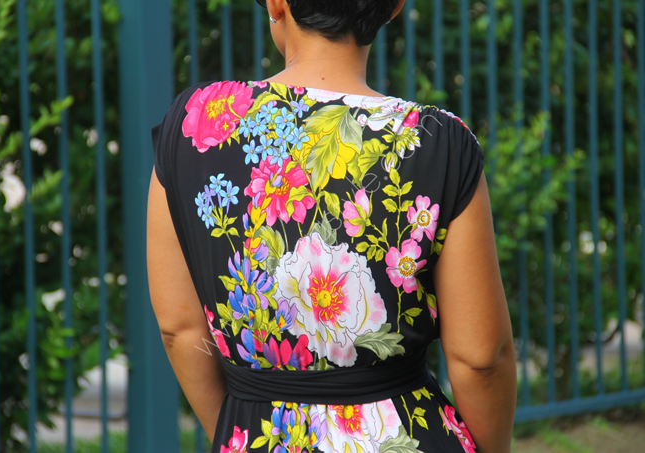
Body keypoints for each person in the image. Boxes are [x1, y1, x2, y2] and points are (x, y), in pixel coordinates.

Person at [147, 0, 517, 452]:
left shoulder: (196, 123)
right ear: (394, 6)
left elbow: (180, 329)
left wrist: (238, 431)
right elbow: (481, 360)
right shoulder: (436, 144)